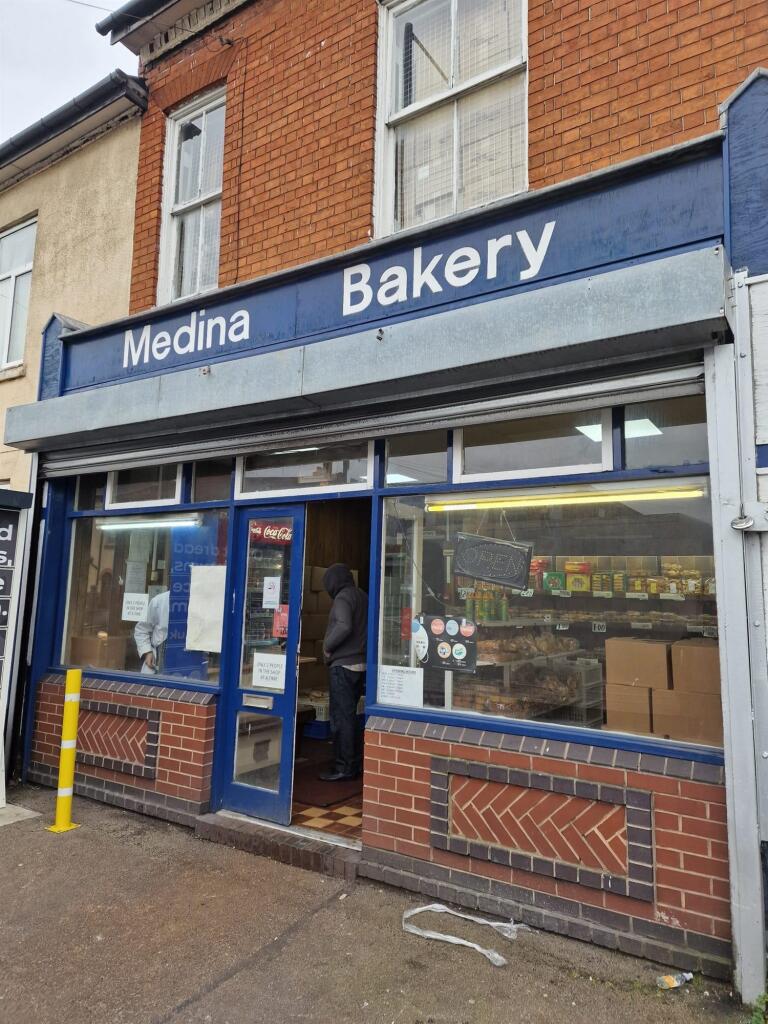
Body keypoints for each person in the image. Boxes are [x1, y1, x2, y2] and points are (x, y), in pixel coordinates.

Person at [319, 563, 368, 782]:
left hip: (343, 665)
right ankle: (354, 763)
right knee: (351, 715)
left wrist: (328, 646)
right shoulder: (362, 595)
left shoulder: (342, 598)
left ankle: (344, 767)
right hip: (360, 664)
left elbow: (344, 625)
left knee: (341, 717)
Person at [134, 589, 169, 674]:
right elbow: (141, 629)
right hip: (158, 662)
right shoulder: (160, 600)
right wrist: (147, 651)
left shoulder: (203, 602)